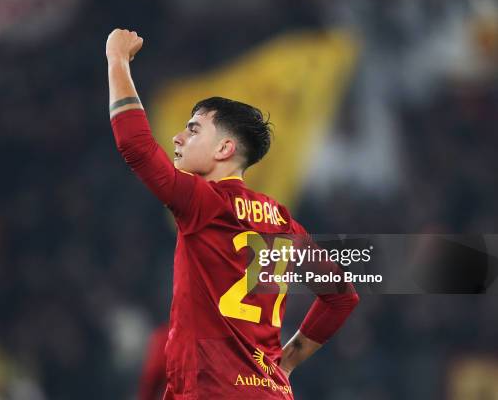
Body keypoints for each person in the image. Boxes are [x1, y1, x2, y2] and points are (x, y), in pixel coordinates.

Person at [106, 28, 359, 399]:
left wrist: (116, 60)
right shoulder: (283, 221)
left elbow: (136, 147)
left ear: (224, 148)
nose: (177, 138)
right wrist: (284, 363)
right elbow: (341, 296)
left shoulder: (205, 203)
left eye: (192, 130)